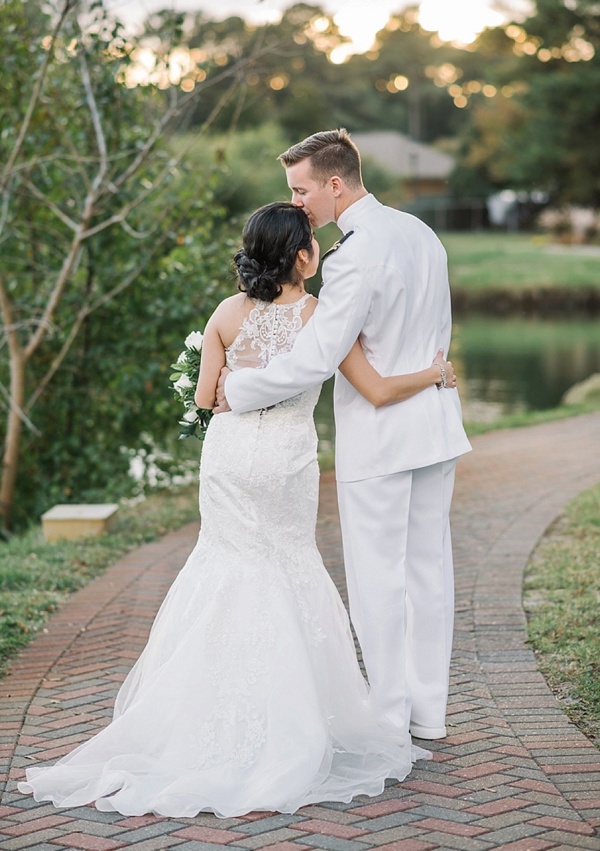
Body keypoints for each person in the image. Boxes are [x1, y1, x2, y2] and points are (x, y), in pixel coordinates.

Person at [18, 202, 457, 819]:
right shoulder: (322, 316)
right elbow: (379, 389)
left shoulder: (226, 313)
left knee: (223, 563)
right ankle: (294, 714)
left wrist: (225, 384)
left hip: (228, 459)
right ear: (304, 255)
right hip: (285, 461)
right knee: (287, 564)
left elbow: (206, 400)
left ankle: (204, 710)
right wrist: (435, 373)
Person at [216, 130, 472, 742]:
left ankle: (388, 717)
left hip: (383, 438)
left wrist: (239, 390)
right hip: (436, 422)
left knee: (379, 577)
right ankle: (428, 714)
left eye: (301, 190)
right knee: (430, 571)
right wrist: (434, 375)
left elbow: (317, 356)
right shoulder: (422, 234)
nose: (298, 203)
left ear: (335, 184)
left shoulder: (355, 252)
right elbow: (438, 330)